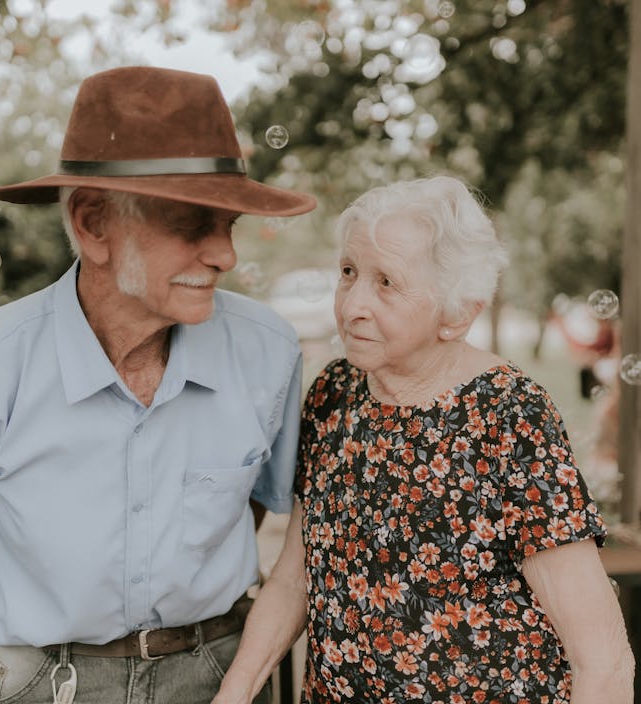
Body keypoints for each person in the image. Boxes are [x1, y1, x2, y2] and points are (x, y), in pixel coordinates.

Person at [0, 65, 316, 704]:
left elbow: (250, 505)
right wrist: (44, 656)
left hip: (222, 676)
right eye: (192, 224)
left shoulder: (270, 353)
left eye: (228, 225)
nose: (225, 256)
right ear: (94, 225)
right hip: (44, 683)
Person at [213, 176, 635, 704]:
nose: (352, 305)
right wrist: (234, 692)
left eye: (386, 282)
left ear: (458, 314)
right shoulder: (334, 393)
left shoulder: (509, 414)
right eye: (349, 273)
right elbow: (296, 577)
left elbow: (602, 656)